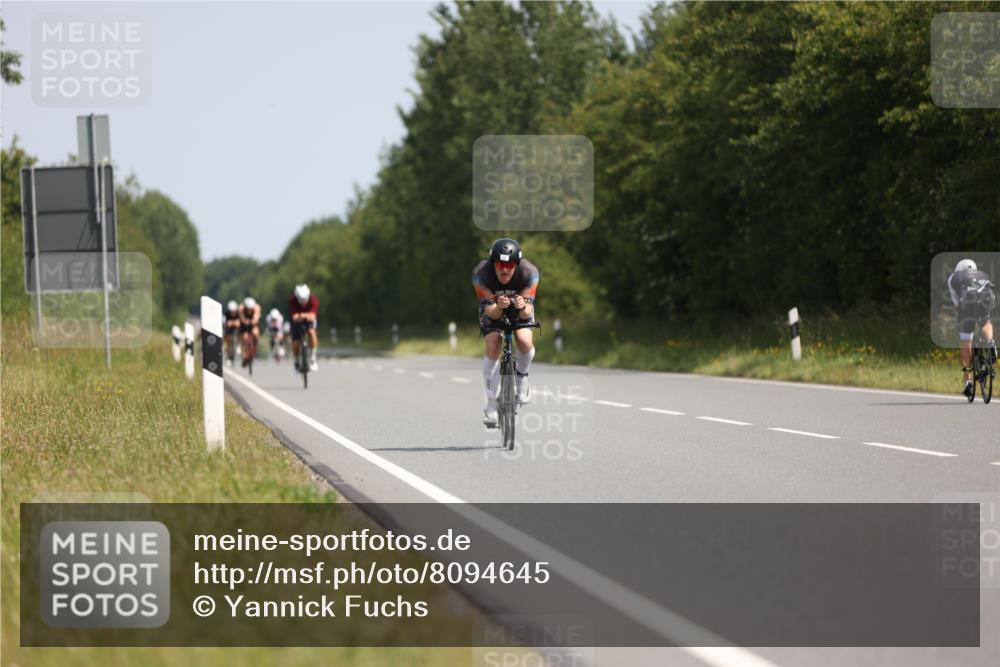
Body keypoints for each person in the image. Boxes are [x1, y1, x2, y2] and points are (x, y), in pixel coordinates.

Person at [472, 238, 539, 427]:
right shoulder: (480, 274)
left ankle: (522, 379)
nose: (504, 270)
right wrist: (499, 307)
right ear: (493, 263)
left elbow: (527, 312)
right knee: (493, 343)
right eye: (500, 264)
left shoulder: (530, 273)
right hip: (493, 309)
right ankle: (491, 405)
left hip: (521, 307)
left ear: (516, 265)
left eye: (509, 265)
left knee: (524, 341)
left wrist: (521, 305)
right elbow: (490, 313)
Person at [946, 259, 996, 398]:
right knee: (986, 322)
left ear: (958, 269)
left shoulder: (953, 278)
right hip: (987, 295)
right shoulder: (983, 274)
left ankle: (967, 381)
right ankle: (990, 343)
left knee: (966, 339)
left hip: (967, 301)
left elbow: (956, 302)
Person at [289, 283, 319, 372]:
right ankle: (297, 361)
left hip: (309, 320)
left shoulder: (314, 299)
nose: (303, 301)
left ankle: (313, 359)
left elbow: (313, 316)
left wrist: (302, 315)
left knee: (311, 332)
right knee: (296, 342)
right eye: (300, 299)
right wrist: (303, 316)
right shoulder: (292, 300)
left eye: (304, 299)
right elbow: (294, 317)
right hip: (297, 321)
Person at [238, 296, 261, 368]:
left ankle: (255, 346)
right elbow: (242, 318)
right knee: (244, 337)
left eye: (250, 309)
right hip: (244, 324)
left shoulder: (257, 307)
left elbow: (256, 317)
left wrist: (253, 321)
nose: (249, 311)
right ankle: (244, 354)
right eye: (247, 309)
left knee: (256, 333)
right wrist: (245, 321)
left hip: (253, 323)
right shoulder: (241, 308)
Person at [223, 300, 240, 366]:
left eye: (234, 311)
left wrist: (234, 323)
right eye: (231, 311)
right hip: (229, 329)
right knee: (229, 341)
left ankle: (238, 344)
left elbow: (240, 323)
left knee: (240, 332)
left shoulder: (238, 314)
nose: (233, 313)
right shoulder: (226, 314)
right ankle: (228, 356)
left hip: (236, 329)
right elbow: (225, 324)